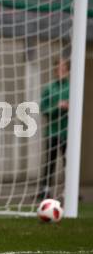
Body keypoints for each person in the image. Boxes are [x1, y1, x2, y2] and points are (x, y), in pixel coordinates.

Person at [39, 58, 70, 199]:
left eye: (63, 68)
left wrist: (69, 106)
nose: (60, 71)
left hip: (68, 131)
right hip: (52, 131)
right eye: (58, 68)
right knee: (50, 162)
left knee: (68, 161)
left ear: (67, 70)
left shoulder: (73, 87)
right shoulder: (49, 88)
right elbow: (43, 108)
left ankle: (70, 190)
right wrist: (56, 107)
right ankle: (44, 190)